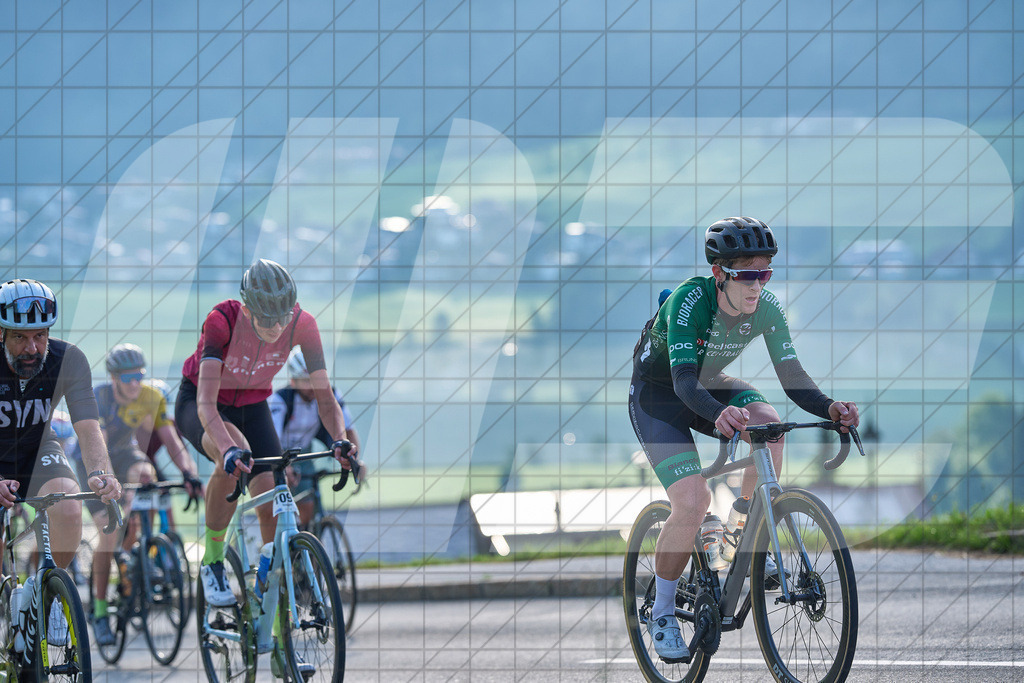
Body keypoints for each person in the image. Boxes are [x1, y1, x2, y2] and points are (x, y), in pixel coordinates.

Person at [627, 217, 859, 662]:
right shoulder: (689, 301)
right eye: (747, 275)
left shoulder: (766, 307)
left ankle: (741, 532)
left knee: (770, 425)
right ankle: (662, 611)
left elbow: (792, 377)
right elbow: (683, 382)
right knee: (692, 502)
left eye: (764, 273)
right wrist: (718, 414)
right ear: (719, 273)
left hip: (710, 386)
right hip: (660, 397)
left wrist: (830, 407)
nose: (757, 285)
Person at [175, 259, 355, 621]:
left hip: (252, 405)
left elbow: (325, 398)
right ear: (248, 310)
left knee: (273, 495)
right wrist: (227, 449)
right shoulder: (222, 320)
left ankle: (268, 617)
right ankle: (212, 561)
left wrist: (339, 440)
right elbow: (206, 404)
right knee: (235, 457)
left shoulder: (303, 324)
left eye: (282, 318)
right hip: (202, 404)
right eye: (267, 319)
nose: (276, 327)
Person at [0, 278, 121, 645]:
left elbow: (88, 427)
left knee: (68, 507)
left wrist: (100, 473)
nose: (31, 348)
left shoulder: (68, 359)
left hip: (38, 449)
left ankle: (49, 595)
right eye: (20, 337)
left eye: (40, 336)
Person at [87, 343, 202, 646]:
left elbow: (172, 441)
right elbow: (99, 447)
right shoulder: (99, 398)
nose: (135, 383)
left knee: (147, 475)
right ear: (114, 378)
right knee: (109, 534)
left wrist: (189, 472)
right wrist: (109, 484)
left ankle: (141, 548)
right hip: (94, 460)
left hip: (126, 452)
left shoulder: (151, 396)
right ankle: (100, 611)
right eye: (127, 378)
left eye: (139, 376)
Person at [270, 348, 363, 530]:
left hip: (304, 453)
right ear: (293, 381)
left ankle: (306, 539)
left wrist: (356, 460)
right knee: (276, 507)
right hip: (277, 452)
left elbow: (349, 430)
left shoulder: (331, 394)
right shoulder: (280, 400)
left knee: (308, 507)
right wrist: (283, 466)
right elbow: (272, 438)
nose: (312, 386)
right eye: (305, 381)